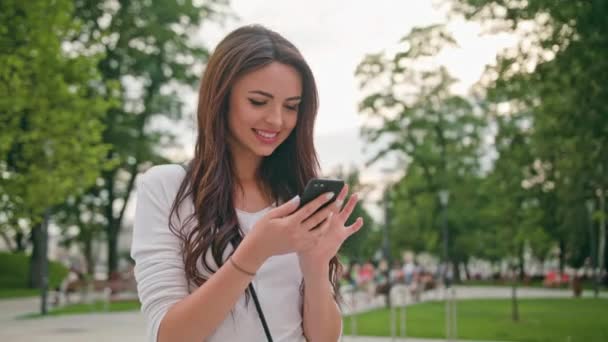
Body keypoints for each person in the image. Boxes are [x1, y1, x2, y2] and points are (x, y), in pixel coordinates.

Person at [130, 25, 364, 342]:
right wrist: (254, 251)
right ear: (220, 98)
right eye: (258, 102)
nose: (277, 120)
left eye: (291, 106)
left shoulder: (295, 198)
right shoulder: (166, 188)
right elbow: (169, 336)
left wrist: (316, 265)